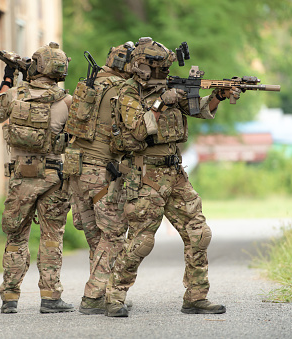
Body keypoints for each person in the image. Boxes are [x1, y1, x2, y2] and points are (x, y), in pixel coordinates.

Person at [103, 37, 242, 317]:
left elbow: (198, 110)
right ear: (144, 67)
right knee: (141, 241)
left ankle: (196, 296)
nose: (165, 73)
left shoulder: (168, 88)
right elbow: (138, 131)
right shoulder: (127, 93)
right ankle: (114, 296)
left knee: (199, 233)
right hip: (144, 175)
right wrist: (160, 104)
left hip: (175, 173)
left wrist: (219, 95)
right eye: (160, 69)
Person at [0, 42, 74, 314]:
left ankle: (10, 298)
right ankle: (50, 298)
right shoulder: (67, 100)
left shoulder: (15, 95)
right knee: (51, 237)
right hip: (53, 176)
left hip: (20, 177)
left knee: (16, 236)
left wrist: (8, 80)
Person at [63, 42, 134, 314]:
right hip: (101, 172)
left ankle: (106, 293)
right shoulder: (123, 91)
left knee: (97, 237)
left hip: (75, 169)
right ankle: (93, 296)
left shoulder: (88, 84)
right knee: (114, 235)